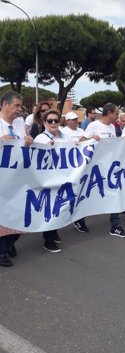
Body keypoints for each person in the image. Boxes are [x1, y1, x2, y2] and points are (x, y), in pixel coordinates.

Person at [83, 102, 125, 238]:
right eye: (116, 114)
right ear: (109, 113)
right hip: (94, 169)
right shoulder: (93, 125)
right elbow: (81, 142)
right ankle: (79, 218)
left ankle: (115, 226)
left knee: (115, 192)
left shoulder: (112, 127)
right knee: (89, 195)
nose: (117, 117)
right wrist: (91, 139)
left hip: (109, 168)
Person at [0, 91, 33, 267]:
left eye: (20, 106)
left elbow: (24, 143)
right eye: (17, 106)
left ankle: (11, 242)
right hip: (1, 181)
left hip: (18, 179)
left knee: (19, 215)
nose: (20, 109)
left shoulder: (20, 123)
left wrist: (28, 140)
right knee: (2, 216)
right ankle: (2, 252)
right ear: (5, 104)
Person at [34, 109, 65, 252]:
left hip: (63, 179)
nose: (53, 123)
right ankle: (48, 240)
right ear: (44, 122)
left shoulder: (64, 137)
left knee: (59, 208)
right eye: (50, 121)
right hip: (48, 181)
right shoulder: (41, 138)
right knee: (50, 210)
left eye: (56, 120)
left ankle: (54, 232)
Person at [62, 112, 89, 233]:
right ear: (67, 121)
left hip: (82, 166)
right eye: (72, 119)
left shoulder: (81, 130)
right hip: (69, 168)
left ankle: (79, 218)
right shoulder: (63, 131)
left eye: (76, 119)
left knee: (81, 192)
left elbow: (88, 142)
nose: (75, 121)